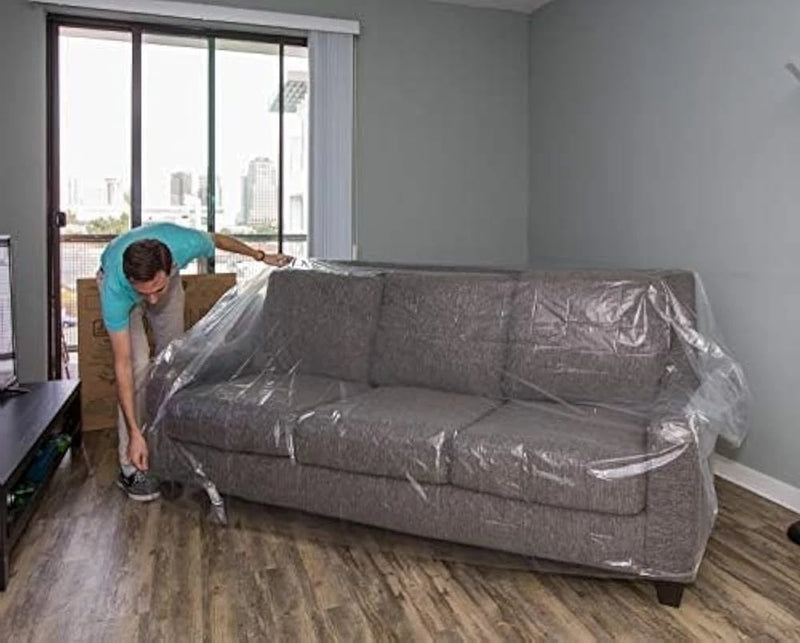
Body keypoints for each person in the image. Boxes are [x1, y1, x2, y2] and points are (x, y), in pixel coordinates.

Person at [98, 223, 291, 501]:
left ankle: (166, 442)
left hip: (165, 278)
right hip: (119, 283)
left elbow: (220, 240)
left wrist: (260, 255)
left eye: (156, 289)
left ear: (170, 266)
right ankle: (131, 466)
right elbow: (122, 365)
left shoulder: (184, 243)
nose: (151, 300)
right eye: (144, 293)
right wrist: (133, 431)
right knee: (138, 365)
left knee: (174, 359)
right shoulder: (116, 289)